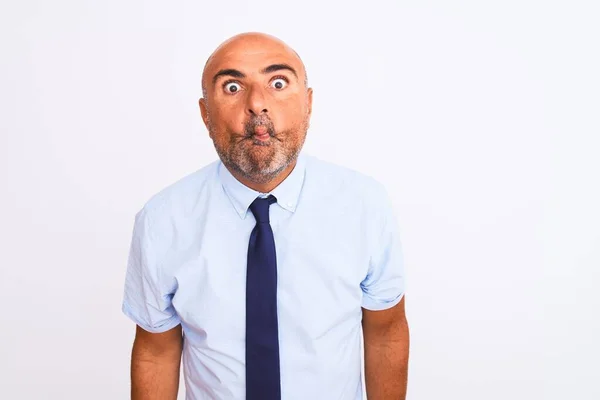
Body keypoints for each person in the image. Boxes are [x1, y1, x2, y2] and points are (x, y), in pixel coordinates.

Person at [121, 32, 409, 400]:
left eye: (277, 82)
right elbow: (155, 351)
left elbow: (386, 331)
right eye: (232, 87)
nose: (257, 104)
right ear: (205, 113)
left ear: (308, 103)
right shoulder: (162, 221)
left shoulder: (364, 205)